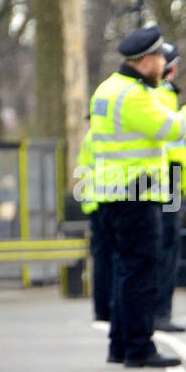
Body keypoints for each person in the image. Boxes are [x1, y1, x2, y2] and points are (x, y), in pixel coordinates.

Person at [88, 25, 186, 367]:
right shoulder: (134, 95)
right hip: (137, 193)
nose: (163, 64)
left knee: (124, 272)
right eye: (159, 57)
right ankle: (140, 348)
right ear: (147, 60)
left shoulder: (107, 89)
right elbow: (172, 128)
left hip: (112, 193)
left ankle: (120, 345)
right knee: (141, 274)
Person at [153, 40, 186, 333]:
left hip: (169, 180)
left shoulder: (160, 94)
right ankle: (160, 314)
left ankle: (160, 313)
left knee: (166, 248)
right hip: (165, 180)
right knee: (165, 248)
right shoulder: (161, 94)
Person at [76, 127, 114, 322]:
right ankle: (110, 307)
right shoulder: (110, 134)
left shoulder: (88, 138)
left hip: (93, 202)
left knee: (100, 259)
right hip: (108, 199)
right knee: (114, 258)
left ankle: (101, 309)